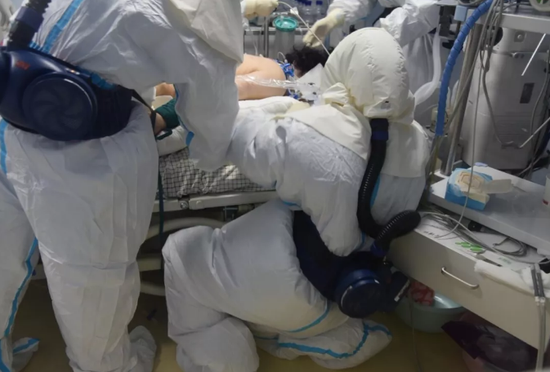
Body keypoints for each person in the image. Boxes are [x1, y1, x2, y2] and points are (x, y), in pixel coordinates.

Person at [162, 28, 429, 372]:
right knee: (282, 235)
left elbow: (218, 140)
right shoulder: (418, 143)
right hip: (347, 292)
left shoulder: (310, 133)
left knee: (180, 255)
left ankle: (226, 363)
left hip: (291, 284)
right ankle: (328, 338)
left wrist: (276, 110)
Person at [0, 0, 243, 371]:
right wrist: (202, 149)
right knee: (93, 286)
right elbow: (212, 118)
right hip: (80, 155)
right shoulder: (200, 14)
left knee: (3, 257)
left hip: (13, 122)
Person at [303, 0, 439, 95]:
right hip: (394, 33)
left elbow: (424, 10)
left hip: (425, 43)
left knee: (409, 104)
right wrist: (337, 15)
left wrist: (376, 35)